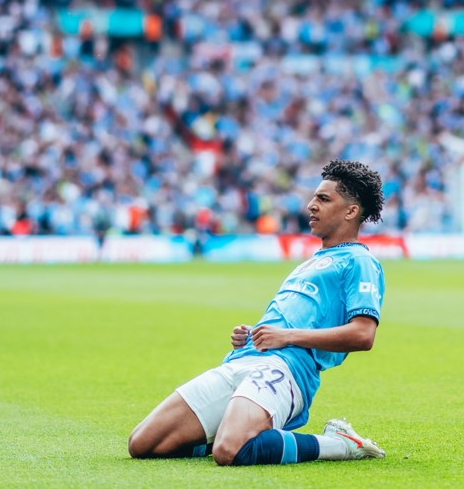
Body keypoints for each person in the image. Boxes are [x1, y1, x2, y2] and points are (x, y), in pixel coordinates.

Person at [129, 159, 388, 464]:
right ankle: (236, 428)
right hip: (243, 360)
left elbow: (363, 334)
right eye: (314, 197)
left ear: (351, 211)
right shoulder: (312, 261)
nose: (310, 205)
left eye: (323, 199)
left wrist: (285, 336)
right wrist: (252, 335)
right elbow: (290, 320)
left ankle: (340, 443)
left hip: (287, 369)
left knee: (230, 451)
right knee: (143, 443)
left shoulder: (359, 261)